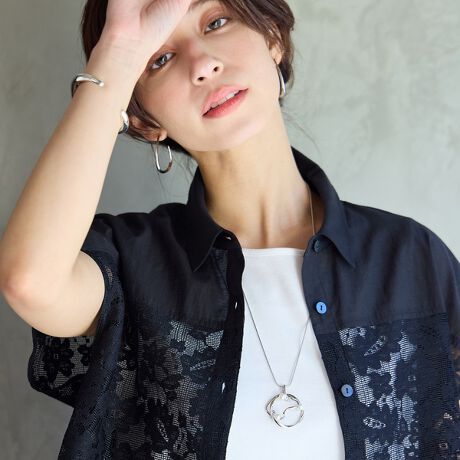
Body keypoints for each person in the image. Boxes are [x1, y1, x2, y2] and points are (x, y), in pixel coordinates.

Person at [0, 0, 459, 458]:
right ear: (142, 119)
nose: (202, 65)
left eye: (216, 22)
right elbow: (31, 281)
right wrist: (119, 49)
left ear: (273, 38)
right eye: (161, 58)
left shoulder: (412, 259)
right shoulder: (129, 263)